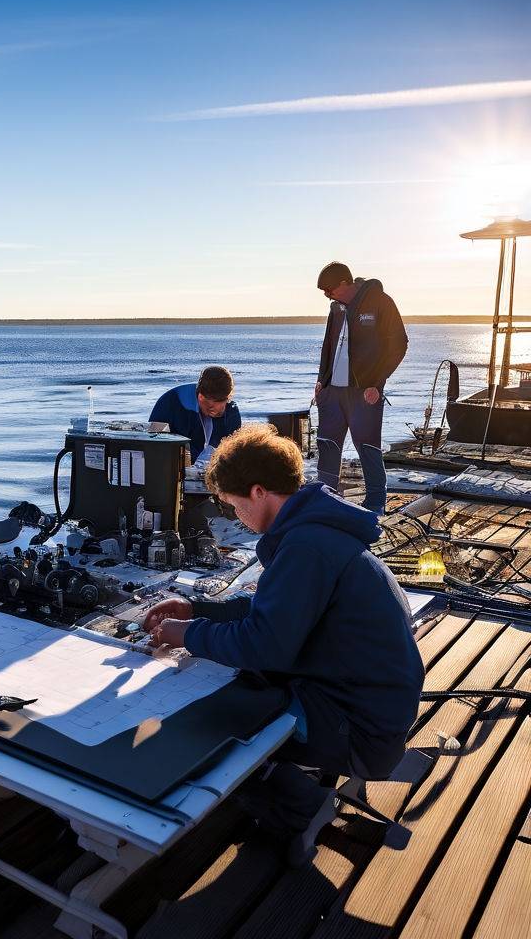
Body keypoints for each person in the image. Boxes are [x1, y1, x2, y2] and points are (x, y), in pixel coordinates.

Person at [143, 424, 423, 850]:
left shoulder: (305, 548)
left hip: (362, 729)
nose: (234, 516)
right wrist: (197, 609)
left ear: (258, 492)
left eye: (234, 505)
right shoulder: (314, 530)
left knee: (219, 718)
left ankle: (296, 805)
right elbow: (272, 612)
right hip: (373, 701)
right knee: (242, 683)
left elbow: (265, 646)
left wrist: (189, 635)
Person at [314, 262, 408, 516]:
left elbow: (399, 344)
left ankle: (376, 502)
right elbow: (328, 344)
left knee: (367, 446)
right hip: (333, 390)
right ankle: (326, 497)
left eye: (329, 290)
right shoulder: (336, 308)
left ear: (345, 283)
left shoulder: (380, 302)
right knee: (327, 444)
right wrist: (322, 380)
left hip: (365, 391)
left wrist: (377, 383)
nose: (327, 295)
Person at [149, 366, 242, 466]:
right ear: (201, 397)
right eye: (211, 408)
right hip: (175, 465)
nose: (218, 411)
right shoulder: (170, 402)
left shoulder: (231, 410)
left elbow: (235, 450)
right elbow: (153, 441)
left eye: (224, 402)